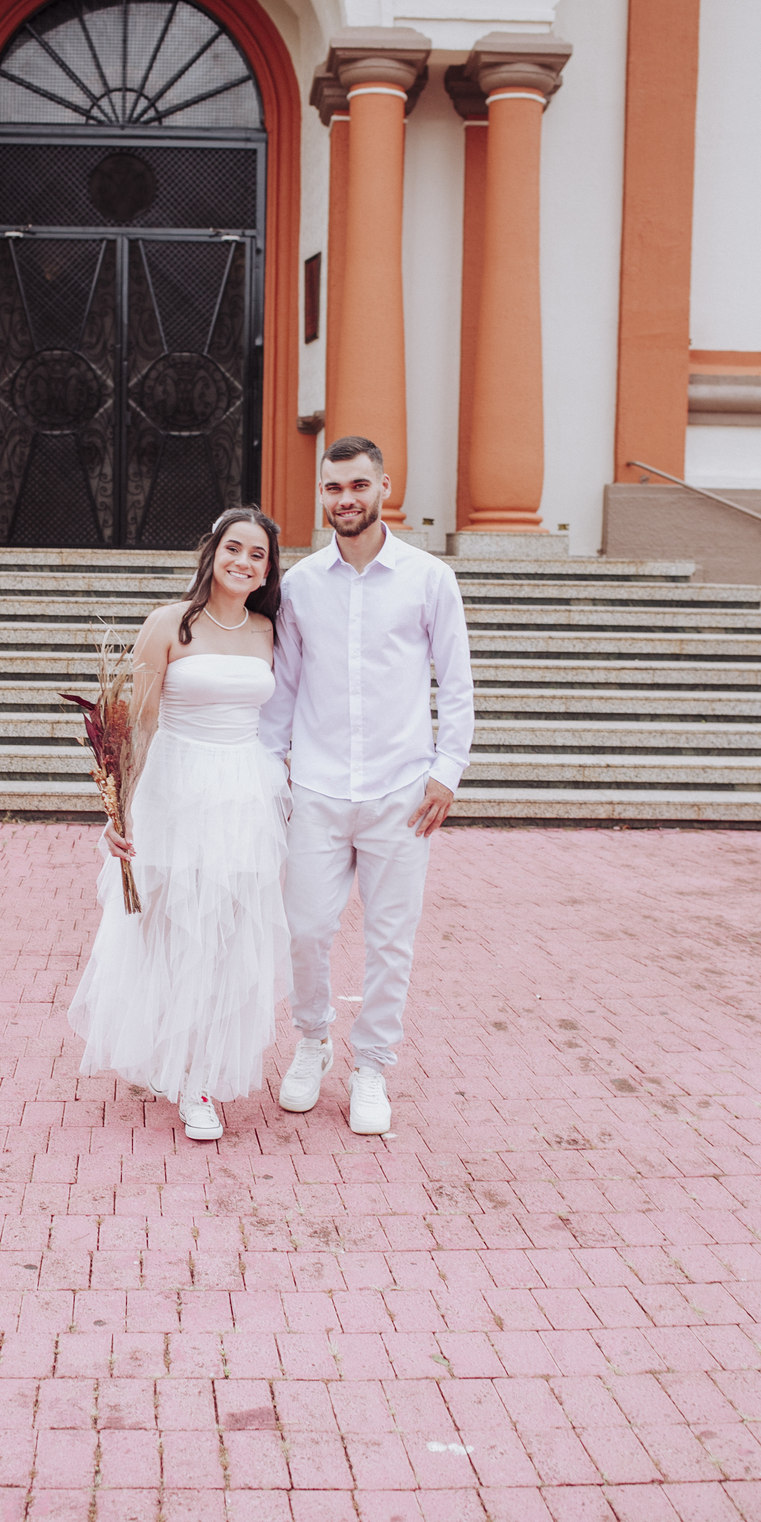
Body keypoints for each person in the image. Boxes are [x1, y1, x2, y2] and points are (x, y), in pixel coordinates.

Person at [259, 435, 475, 1136]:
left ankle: (373, 1065)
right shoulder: (300, 586)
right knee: (305, 930)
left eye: (358, 485)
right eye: (333, 487)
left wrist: (446, 772)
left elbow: (457, 684)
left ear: (384, 487)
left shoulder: (429, 579)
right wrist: (271, 769)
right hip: (317, 790)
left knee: (390, 940)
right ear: (322, 493)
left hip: (401, 792)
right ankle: (313, 1041)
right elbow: (283, 687)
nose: (345, 499)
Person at [68, 508, 290, 1141]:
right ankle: (169, 1055)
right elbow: (136, 724)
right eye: (234, 548)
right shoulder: (168, 623)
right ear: (212, 552)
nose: (244, 562)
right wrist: (118, 810)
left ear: (267, 571)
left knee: (225, 937)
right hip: (174, 791)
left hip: (244, 796)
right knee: (167, 931)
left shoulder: (268, 631)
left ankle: (200, 1079)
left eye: (258, 555)